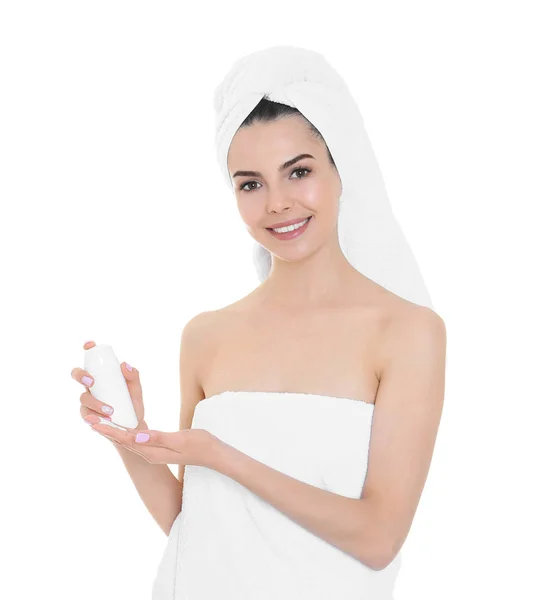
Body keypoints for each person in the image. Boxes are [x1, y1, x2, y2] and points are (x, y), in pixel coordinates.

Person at [75, 46, 446, 599]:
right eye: (250, 184)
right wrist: (128, 435)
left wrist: (219, 454)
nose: (277, 203)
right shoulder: (206, 335)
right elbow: (194, 524)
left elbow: (378, 537)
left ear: (343, 169)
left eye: (298, 172)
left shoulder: (407, 332)